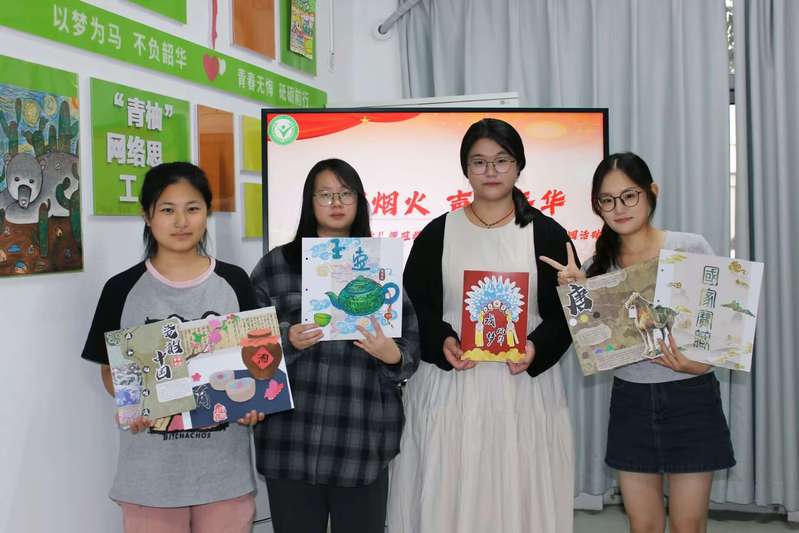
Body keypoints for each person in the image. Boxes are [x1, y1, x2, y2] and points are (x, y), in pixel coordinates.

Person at [388, 118, 577, 533]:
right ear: (466, 169)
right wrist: (442, 340)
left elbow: (567, 315)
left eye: (501, 160)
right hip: (451, 385)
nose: (491, 171)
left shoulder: (547, 234)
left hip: (522, 388)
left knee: (518, 489)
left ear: (518, 165)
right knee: (448, 487)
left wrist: (536, 348)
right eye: (479, 162)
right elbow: (413, 307)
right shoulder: (438, 233)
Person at [540, 152, 735, 533]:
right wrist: (577, 293)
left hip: (692, 398)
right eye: (607, 200)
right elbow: (597, 346)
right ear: (598, 206)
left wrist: (697, 365)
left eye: (629, 196)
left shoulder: (689, 247)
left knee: (688, 525)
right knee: (642, 525)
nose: (619, 208)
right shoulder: (597, 266)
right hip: (631, 401)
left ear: (651, 192)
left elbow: (721, 324)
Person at [81, 162, 263, 532]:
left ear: (207, 213)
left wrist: (254, 404)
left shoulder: (234, 282)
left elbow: (257, 359)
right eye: (167, 210)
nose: (181, 221)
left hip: (224, 475)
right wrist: (134, 401)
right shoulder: (122, 289)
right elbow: (109, 369)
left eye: (192, 208)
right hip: (150, 478)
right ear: (147, 216)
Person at [250, 158, 420, 533]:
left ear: (360, 201)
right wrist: (286, 340)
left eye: (346, 193)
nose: (337, 202)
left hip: (361, 441)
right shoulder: (276, 266)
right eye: (325, 194)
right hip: (290, 442)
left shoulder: (381, 266)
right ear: (310, 202)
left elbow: (410, 347)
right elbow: (248, 349)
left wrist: (392, 355)